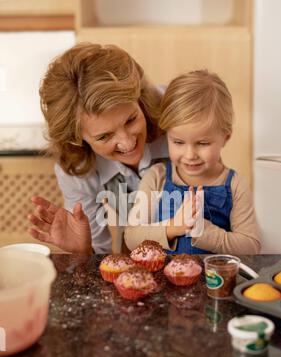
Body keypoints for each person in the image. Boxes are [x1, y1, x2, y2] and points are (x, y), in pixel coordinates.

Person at [28, 42, 168, 254]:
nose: (127, 143)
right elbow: (99, 256)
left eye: (131, 120)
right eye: (104, 136)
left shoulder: (178, 113)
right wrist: (84, 251)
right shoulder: (76, 164)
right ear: (77, 139)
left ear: (139, 98)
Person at [124, 70, 261, 254]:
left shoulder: (236, 185)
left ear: (226, 137)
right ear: (167, 136)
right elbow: (132, 237)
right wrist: (175, 227)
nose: (190, 155)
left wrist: (204, 232)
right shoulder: (157, 177)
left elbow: (251, 247)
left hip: (215, 281)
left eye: (203, 143)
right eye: (178, 142)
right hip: (161, 281)